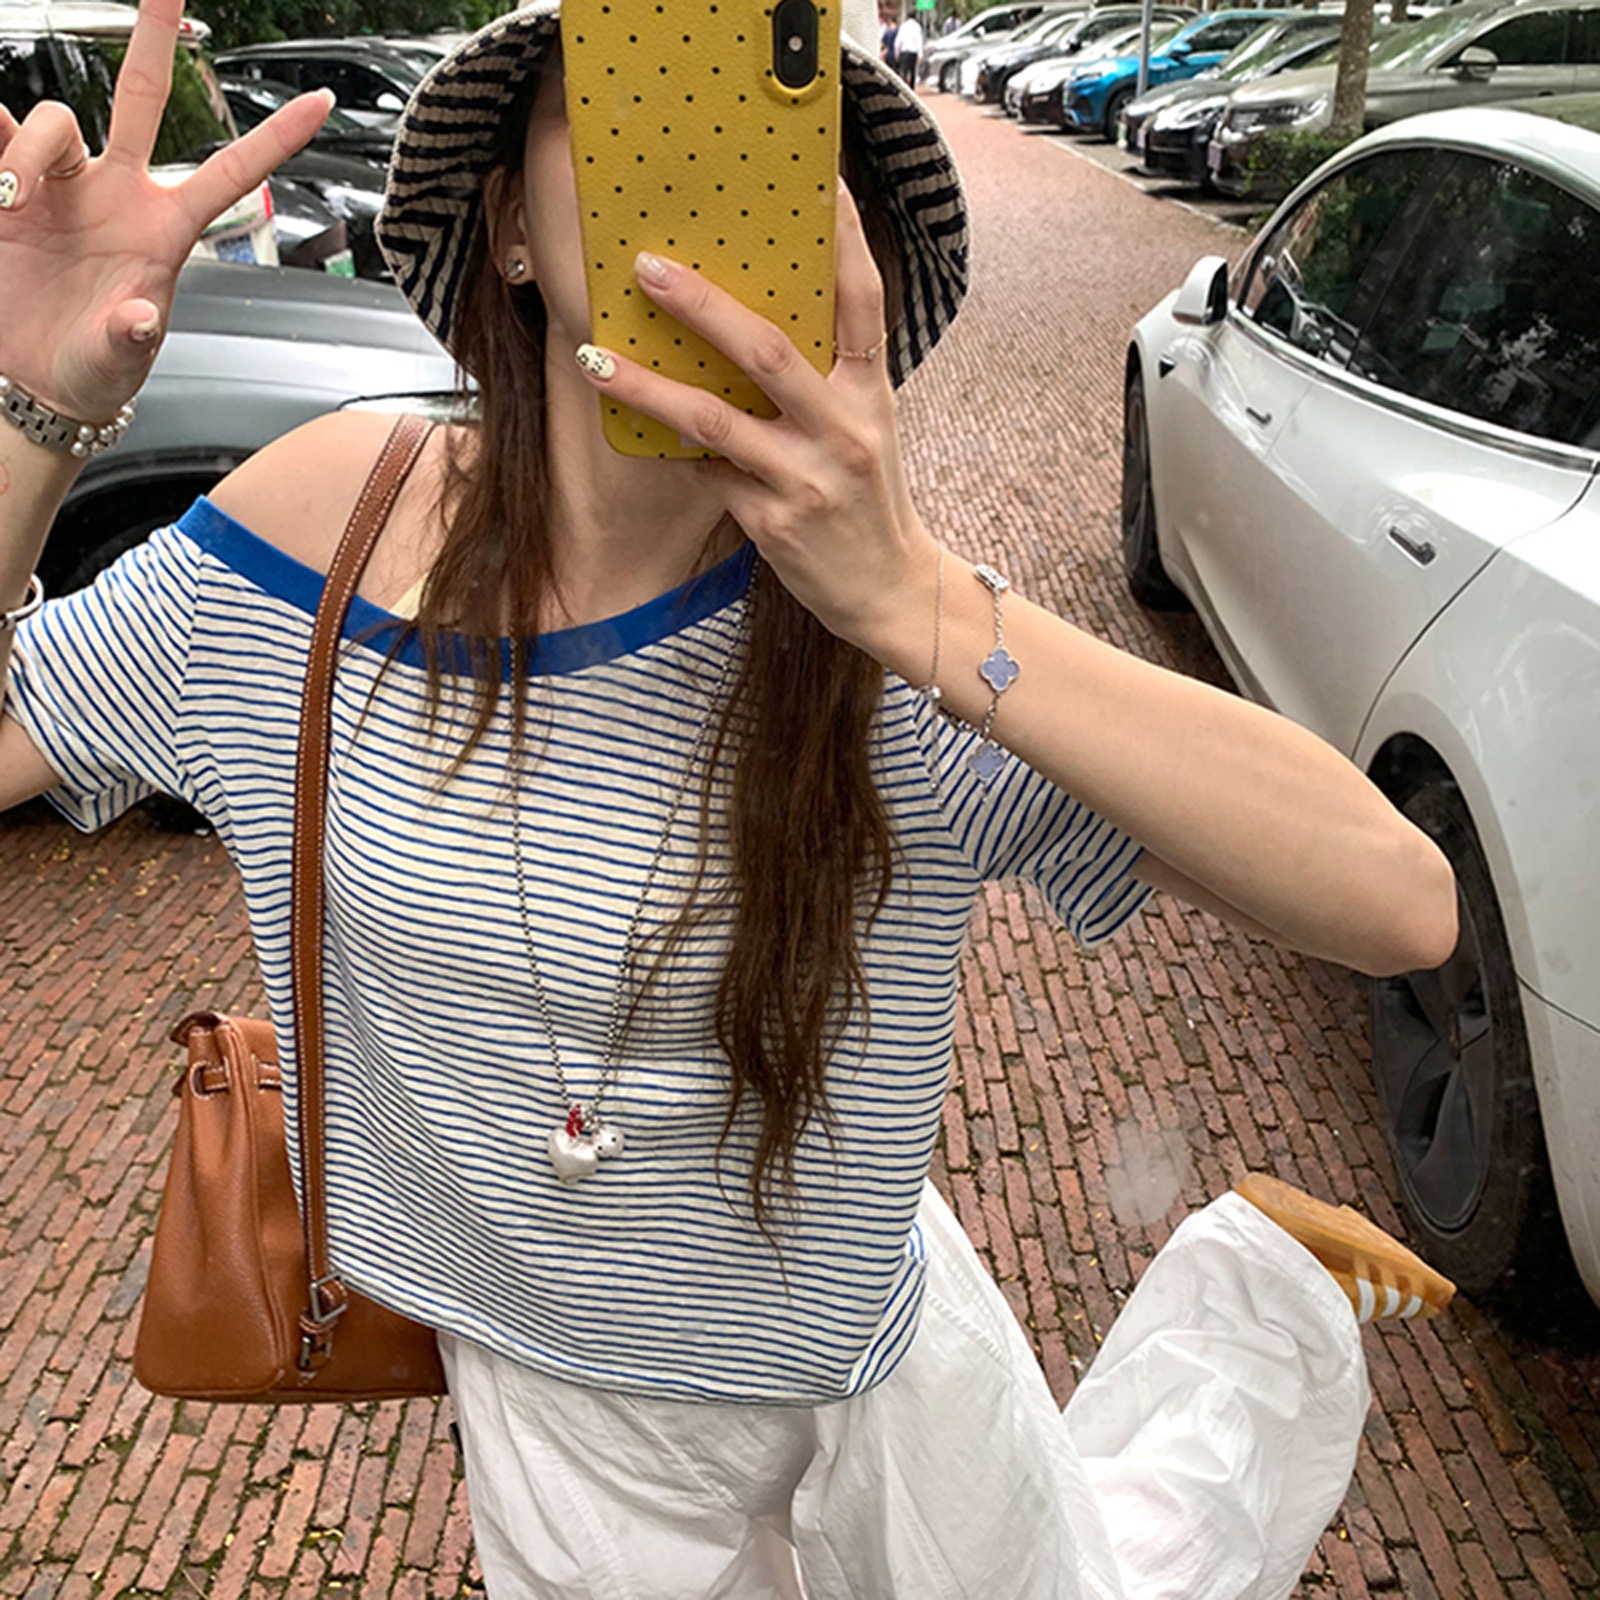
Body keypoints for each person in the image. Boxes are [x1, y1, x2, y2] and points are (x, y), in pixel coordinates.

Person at [0, 1, 1458, 1596]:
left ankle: (1258, 1292)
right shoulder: (322, 536)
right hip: (552, 1405)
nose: (686, 159)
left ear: (836, 238)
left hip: (871, 1351)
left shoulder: (902, 644)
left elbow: (1398, 904)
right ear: (507, 224)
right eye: (625, 100)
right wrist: (30, 414)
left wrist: (913, 602)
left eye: (758, 124)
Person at [894, 9, 926, 85]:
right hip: (913, 52)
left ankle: (903, 86)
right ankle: (912, 87)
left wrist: (897, 52)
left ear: (907, 17)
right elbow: (919, 41)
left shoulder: (903, 26)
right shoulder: (917, 26)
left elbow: (899, 40)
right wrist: (920, 54)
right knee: (913, 71)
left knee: (903, 71)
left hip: (904, 51)